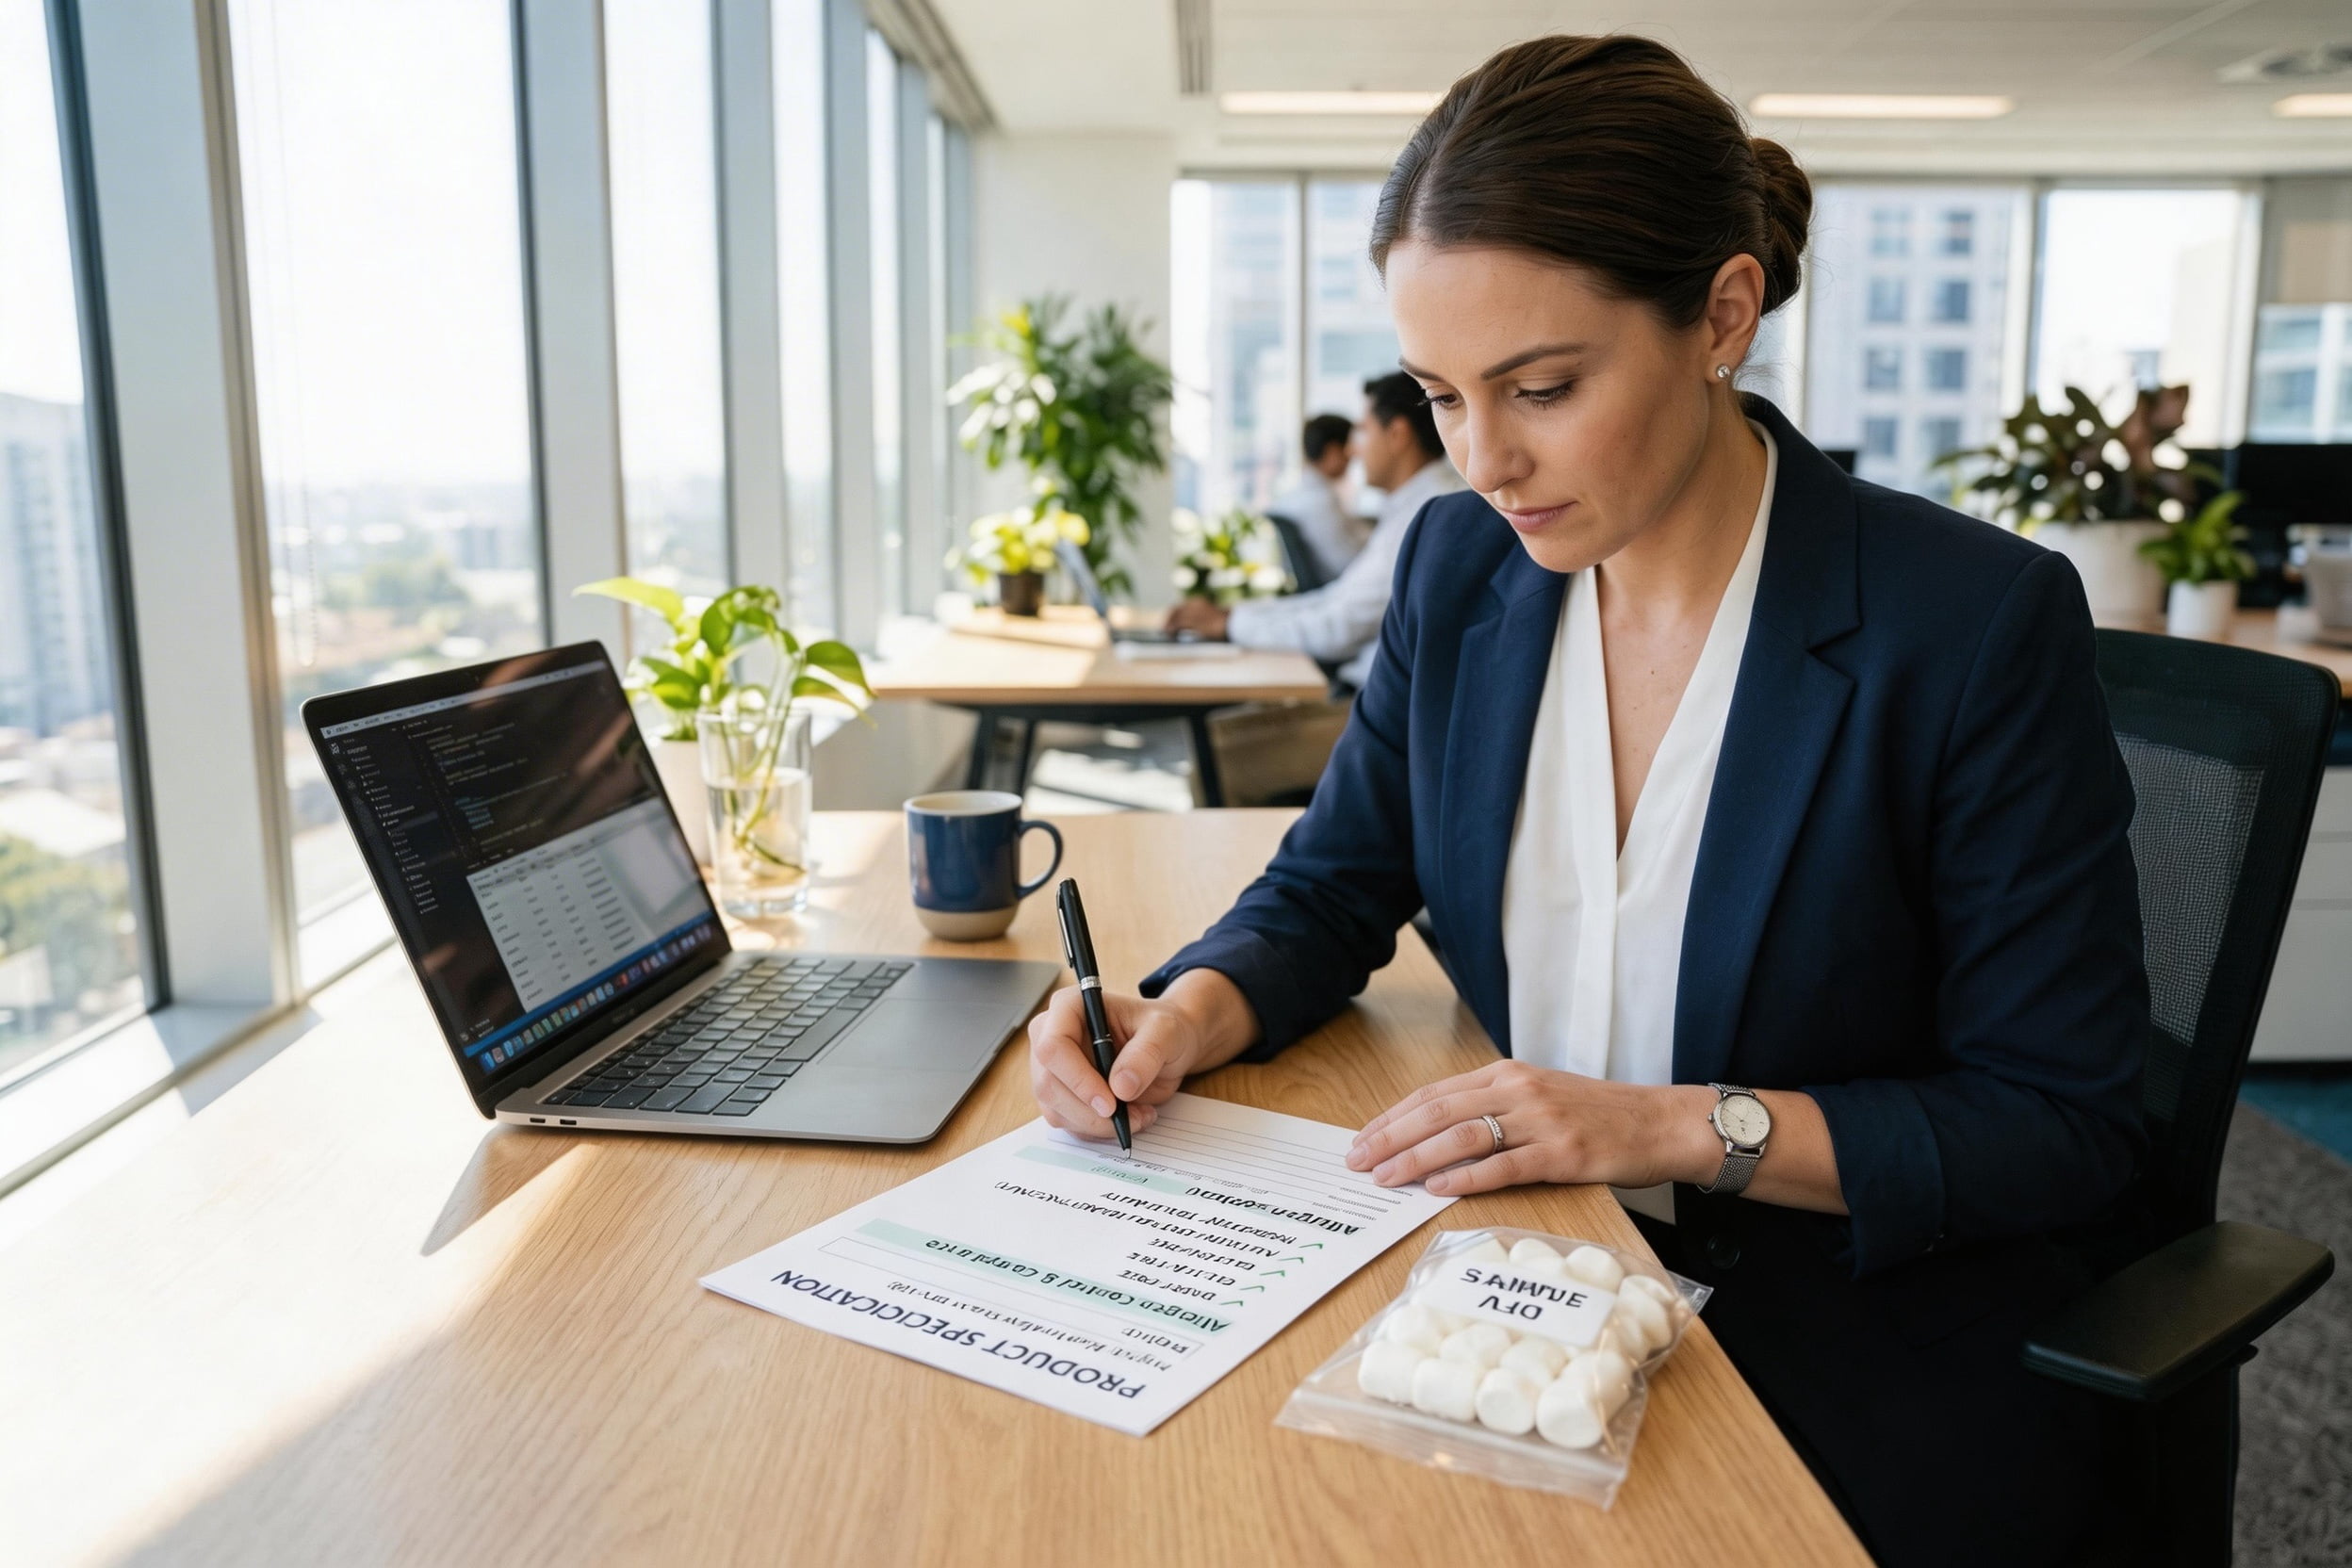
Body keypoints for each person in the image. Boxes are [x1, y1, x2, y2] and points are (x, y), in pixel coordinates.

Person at [1027, 34, 2148, 1568]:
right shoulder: (1461, 568)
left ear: (1721, 317)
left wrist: (1673, 1125)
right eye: (1442, 396)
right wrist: (1181, 1008)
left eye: (1542, 386)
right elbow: (1344, 872)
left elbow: (2065, 1121)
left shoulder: (1965, 625)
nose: (1483, 459)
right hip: (1516, 1282)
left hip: (1833, 1322)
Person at [1165, 373, 1462, 689]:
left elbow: (1340, 625)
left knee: (1223, 731)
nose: (1354, 451)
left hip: (1368, 706)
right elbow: (1338, 600)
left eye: (1362, 432)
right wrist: (1235, 616)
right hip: (1366, 693)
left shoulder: (1429, 512)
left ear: (1397, 434)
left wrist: (1230, 622)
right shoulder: (1415, 506)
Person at [1268, 413, 1369, 580]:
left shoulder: (1290, 499)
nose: (1354, 455)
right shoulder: (1322, 504)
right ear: (1332, 452)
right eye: (1349, 447)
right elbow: (1351, 566)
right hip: (1337, 592)